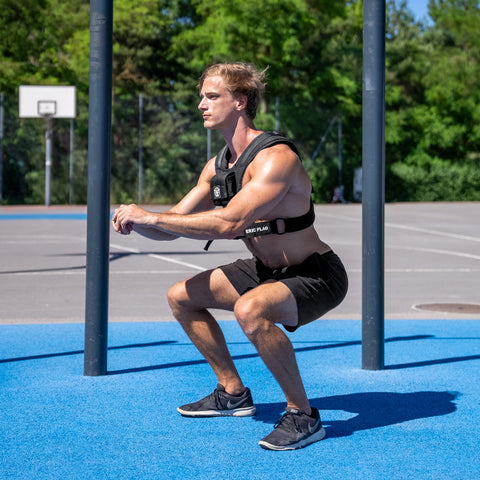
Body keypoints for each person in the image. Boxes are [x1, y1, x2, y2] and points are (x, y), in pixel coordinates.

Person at [112, 62, 348, 451]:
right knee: (181, 296)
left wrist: (149, 216)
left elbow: (229, 223)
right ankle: (233, 392)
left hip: (315, 274)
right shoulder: (217, 167)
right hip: (265, 270)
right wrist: (135, 221)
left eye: (211, 96)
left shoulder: (276, 157)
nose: (201, 104)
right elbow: (172, 224)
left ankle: (303, 416)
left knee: (251, 311)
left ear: (241, 101)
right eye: (201, 96)